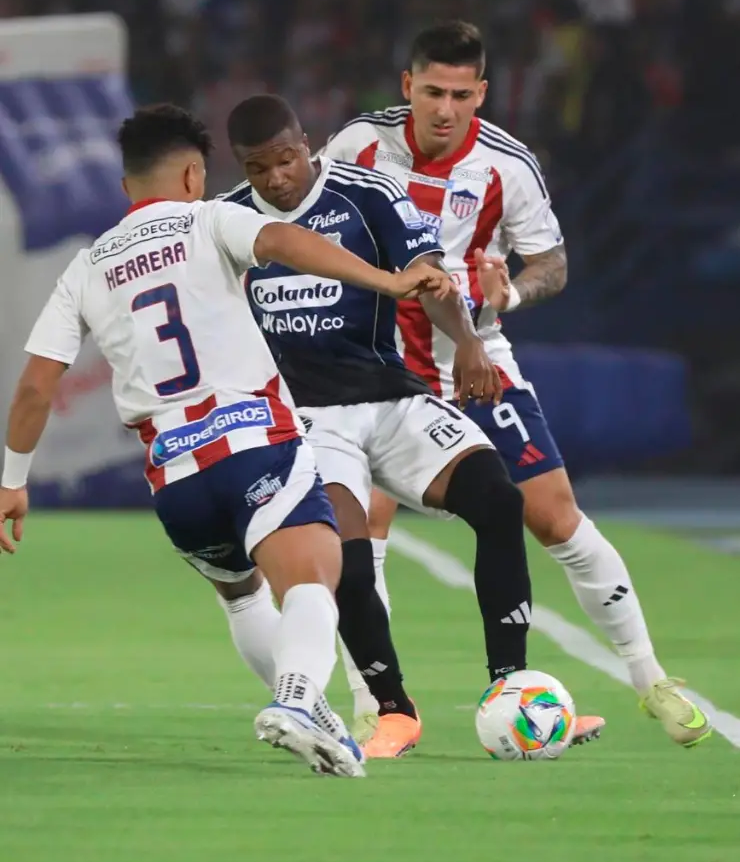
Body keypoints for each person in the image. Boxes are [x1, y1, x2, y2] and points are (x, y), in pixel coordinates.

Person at [0, 104, 451, 777]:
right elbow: (283, 244)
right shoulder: (211, 217)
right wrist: (386, 279)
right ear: (192, 174)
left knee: (242, 596)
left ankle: (315, 716)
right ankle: (298, 702)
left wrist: (12, 480)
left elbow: (36, 387)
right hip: (252, 442)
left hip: (175, 479)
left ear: (127, 188)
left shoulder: (87, 267)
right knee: (314, 579)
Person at [323, 20, 713, 748]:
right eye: (432, 91)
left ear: (482, 93)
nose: (445, 109)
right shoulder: (356, 148)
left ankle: (648, 678)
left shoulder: (507, 164)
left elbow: (551, 263)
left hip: (480, 364)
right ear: (407, 86)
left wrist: (511, 296)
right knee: (362, 524)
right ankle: (373, 707)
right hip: (377, 369)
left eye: (461, 95)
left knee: (555, 516)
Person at [220, 93, 604, 755]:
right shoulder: (227, 222)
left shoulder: (367, 194)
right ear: (242, 167)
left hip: (392, 399)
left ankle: (509, 682)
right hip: (308, 421)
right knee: (347, 558)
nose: (277, 178)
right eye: (260, 168)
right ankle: (394, 708)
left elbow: (429, 280)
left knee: (498, 497)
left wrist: (472, 342)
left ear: (305, 144)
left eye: (286, 160)